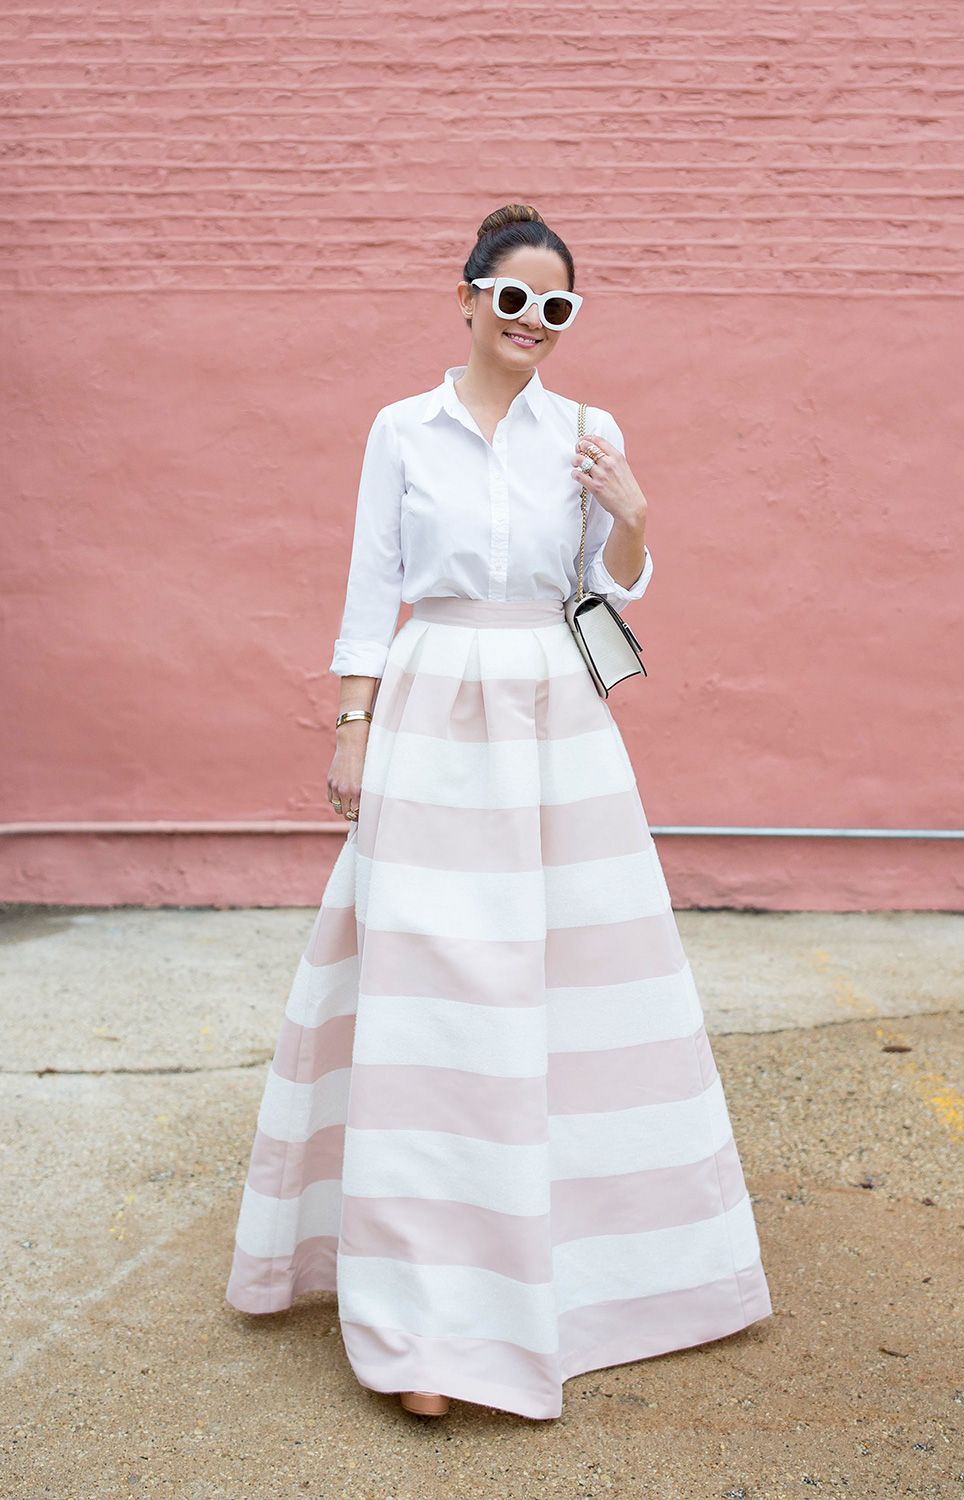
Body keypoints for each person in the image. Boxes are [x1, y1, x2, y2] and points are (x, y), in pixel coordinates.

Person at [225, 204, 772, 1421]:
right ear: (466, 296)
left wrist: (633, 510)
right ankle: (429, 1321)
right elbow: (373, 581)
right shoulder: (398, 429)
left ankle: (597, 1281)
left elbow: (603, 590)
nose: (533, 323)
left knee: (574, 990)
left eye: (557, 308)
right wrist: (353, 724)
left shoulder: (588, 432)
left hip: (556, 728)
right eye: (513, 298)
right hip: (430, 711)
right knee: (433, 1004)